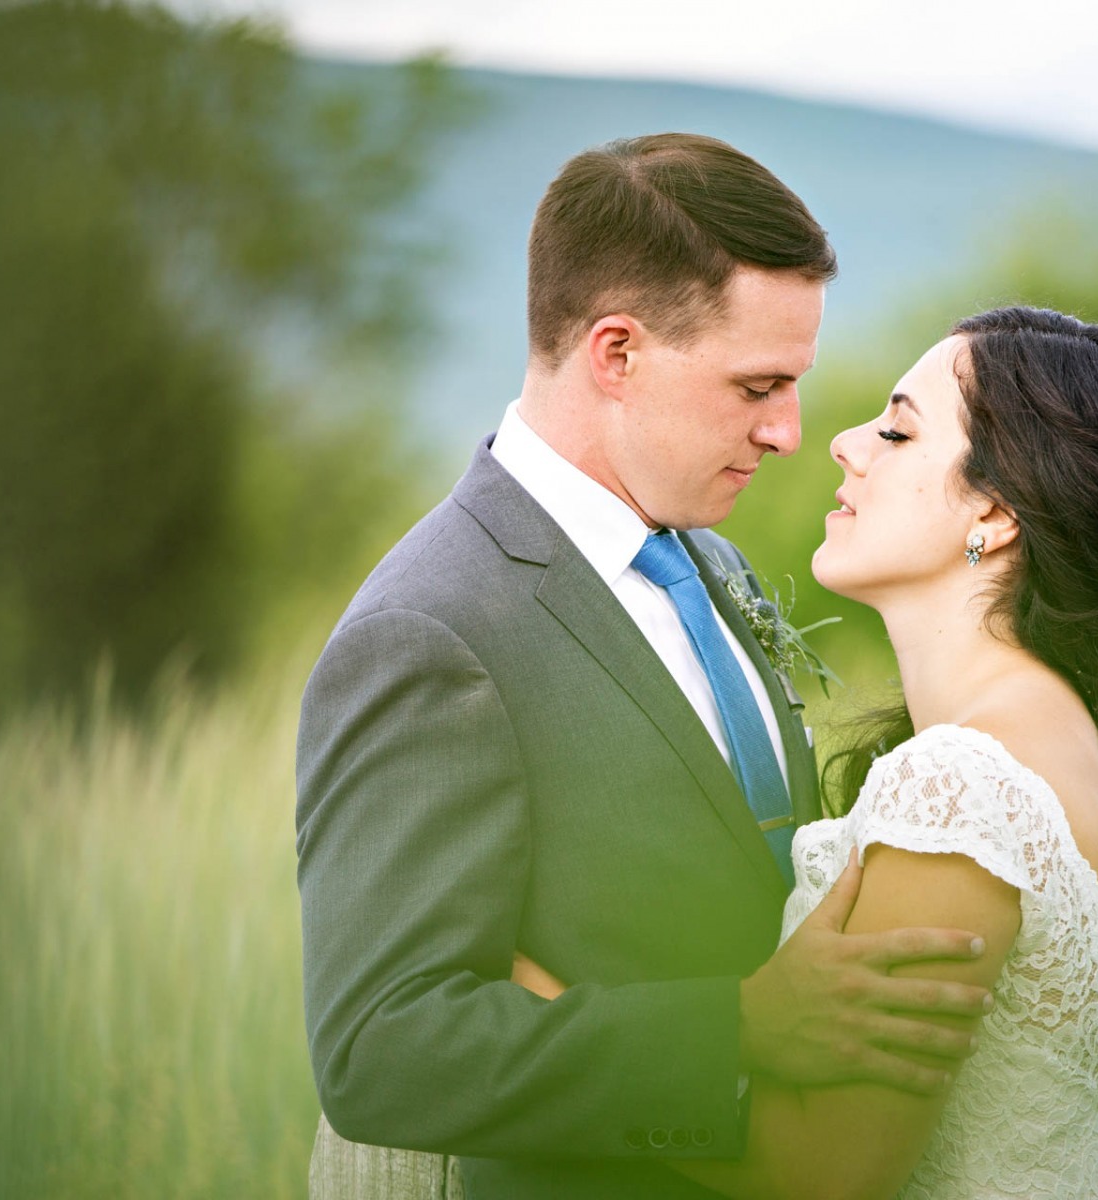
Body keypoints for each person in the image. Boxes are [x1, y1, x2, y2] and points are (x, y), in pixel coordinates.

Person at [295, 133, 1002, 1200]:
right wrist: (737, 1029)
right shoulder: (432, 630)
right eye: (758, 385)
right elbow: (382, 1049)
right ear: (616, 353)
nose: (790, 433)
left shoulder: (707, 558)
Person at [517, 307, 1098, 1198]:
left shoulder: (964, 781)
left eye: (899, 429)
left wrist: (533, 1010)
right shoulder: (1072, 738)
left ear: (998, 512)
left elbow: (816, 1174)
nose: (845, 442)